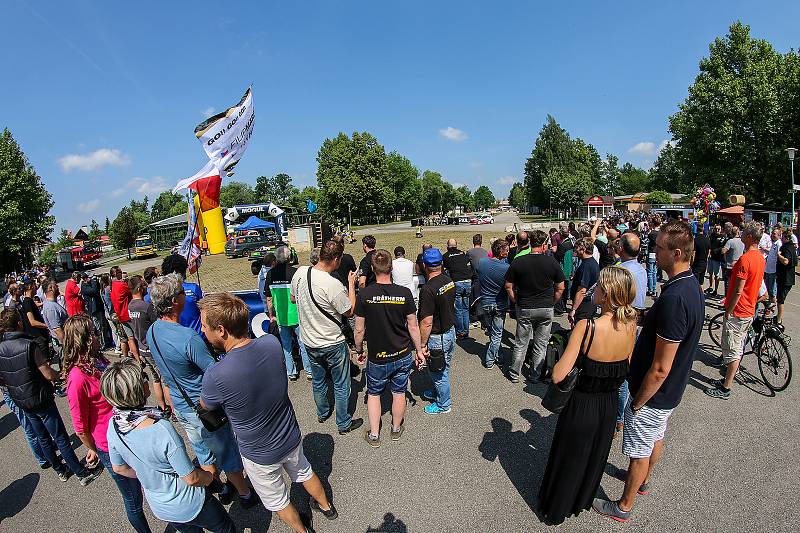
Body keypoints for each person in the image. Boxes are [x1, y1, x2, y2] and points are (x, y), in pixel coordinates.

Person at [593, 220, 704, 522]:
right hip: (670, 391)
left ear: (677, 253)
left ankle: (623, 506)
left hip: (654, 394)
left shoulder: (675, 298)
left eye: (659, 248)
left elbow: (660, 367)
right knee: (655, 439)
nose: (653, 251)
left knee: (640, 449)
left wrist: (639, 400)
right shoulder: (688, 285)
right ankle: (640, 482)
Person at [199, 293, 329, 533]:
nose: (202, 330)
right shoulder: (271, 343)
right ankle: (326, 506)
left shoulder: (215, 376)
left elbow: (206, 405)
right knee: (304, 471)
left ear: (221, 330)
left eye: (205, 326)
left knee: (278, 500)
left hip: (258, 453)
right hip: (289, 435)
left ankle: (302, 531)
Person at [147, 273, 256, 507]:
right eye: (180, 293)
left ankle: (220, 488)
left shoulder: (152, 331)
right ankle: (244, 493)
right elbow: (213, 371)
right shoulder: (187, 337)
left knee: (203, 450)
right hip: (204, 406)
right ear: (175, 301)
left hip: (181, 405)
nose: (183, 295)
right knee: (226, 450)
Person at [539, 267, 637, 525]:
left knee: (570, 456)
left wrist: (561, 349)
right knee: (594, 455)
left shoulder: (587, 326)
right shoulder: (631, 324)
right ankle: (582, 500)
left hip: (582, 402)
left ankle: (557, 509)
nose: (595, 289)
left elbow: (559, 375)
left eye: (600, 286)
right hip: (609, 403)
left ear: (607, 294)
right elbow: (628, 363)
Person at [101, 360, 237, 533]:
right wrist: (210, 478)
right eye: (143, 378)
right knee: (225, 528)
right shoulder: (160, 429)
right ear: (136, 390)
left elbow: (119, 468)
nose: (146, 379)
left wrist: (149, 475)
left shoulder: (114, 425)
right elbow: (191, 478)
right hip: (189, 502)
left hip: (162, 508)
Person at [62, 315, 151, 532]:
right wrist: (94, 449)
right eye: (92, 332)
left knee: (148, 482)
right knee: (133, 498)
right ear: (82, 340)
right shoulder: (77, 378)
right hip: (110, 446)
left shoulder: (98, 359)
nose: (97, 334)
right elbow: (80, 427)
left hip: (128, 431)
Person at [0, 309, 102, 485]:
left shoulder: (1, 347)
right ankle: (81, 472)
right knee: (60, 436)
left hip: (21, 399)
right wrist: (61, 375)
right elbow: (47, 373)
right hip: (39, 397)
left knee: (42, 436)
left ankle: (60, 469)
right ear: (19, 323)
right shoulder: (28, 345)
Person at [353, 250, 425, 447]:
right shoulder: (404, 293)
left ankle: (375, 434)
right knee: (399, 391)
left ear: (373, 269)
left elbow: (359, 330)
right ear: (391, 268)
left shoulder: (365, 294)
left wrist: (359, 351)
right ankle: (395, 428)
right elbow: (413, 325)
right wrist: (418, 350)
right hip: (402, 352)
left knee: (374, 393)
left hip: (377, 355)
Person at [291, 240, 363, 434]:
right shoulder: (333, 284)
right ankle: (343, 423)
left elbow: (292, 298)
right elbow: (349, 311)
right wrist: (350, 283)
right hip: (332, 342)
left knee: (318, 379)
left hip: (309, 340)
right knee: (341, 383)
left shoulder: (300, 273)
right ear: (337, 259)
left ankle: (322, 413)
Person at [705, 222, 766, 400]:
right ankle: (726, 381)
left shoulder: (745, 259)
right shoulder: (759, 257)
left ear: (749, 237)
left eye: (745, 232)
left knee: (733, 349)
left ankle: (726, 387)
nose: (742, 234)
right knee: (736, 347)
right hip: (748, 309)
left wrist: (729, 311)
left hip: (739, 311)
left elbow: (738, 290)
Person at [504, 230, 565, 383]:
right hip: (545, 307)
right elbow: (561, 287)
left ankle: (514, 373)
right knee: (541, 343)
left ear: (530, 242)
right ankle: (535, 374)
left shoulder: (519, 261)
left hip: (524, 306)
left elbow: (508, 286)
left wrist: (515, 300)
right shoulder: (552, 262)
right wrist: (552, 302)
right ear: (544, 245)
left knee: (521, 342)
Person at [615, 233, 648, 434]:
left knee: (619, 373)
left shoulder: (620, 270)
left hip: (621, 322)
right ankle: (622, 415)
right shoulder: (642, 270)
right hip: (635, 322)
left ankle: (618, 417)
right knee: (627, 370)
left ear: (621, 249)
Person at [417, 248, 456, 415]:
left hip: (437, 336)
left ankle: (444, 404)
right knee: (443, 367)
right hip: (449, 331)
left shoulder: (428, 289)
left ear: (424, 265)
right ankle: (439, 393)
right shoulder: (448, 280)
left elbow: (426, 322)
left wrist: (422, 344)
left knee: (438, 372)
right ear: (441, 263)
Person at [265, 245, 311, 381]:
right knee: (303, 344)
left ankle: (291, 372)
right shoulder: (296, 273)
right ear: (289, 257)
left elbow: (269, 299)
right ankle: (309, 371)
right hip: (298, 315)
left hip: (281, 316)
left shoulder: (270, 274)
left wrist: (271, 315)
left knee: (286, 347)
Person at [127, 275, 170, 414]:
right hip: (153, 348)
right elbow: (159, 325)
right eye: (145, 286)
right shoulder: (146, 307)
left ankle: (163, 406)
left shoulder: (130, 306)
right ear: (139, 288)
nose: (147, 288)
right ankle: (173, 409)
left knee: (155, 379)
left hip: (142, 348)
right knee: (165, 380)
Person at [475, 239, 510, 369]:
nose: (508, 251)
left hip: (485, 302)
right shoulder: (507, 268)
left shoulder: (482, 262)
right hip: (499, 303)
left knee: (492, 332)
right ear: (501, 252)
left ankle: (499, 356)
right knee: (497, 333)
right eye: (506, 249)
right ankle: (489, 359)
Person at [161, 255, 204, 334]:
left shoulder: (161, 292)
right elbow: (204, 310)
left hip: (175, 337)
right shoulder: (193, 288)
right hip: (197, 336)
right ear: (183, 270)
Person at [442, 238, 473, 339]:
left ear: (447, 246)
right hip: (468, 281)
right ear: (456, 245)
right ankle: (466, 331)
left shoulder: (446, 256)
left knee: (459, 309)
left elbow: (445, 270)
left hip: (457, 282)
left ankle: (460, 332)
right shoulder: (462, 253)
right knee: (466, 308)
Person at [110, 266, 142, 362]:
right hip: (128, 314)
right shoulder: (121, 285)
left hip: (120, 315)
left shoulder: (112, 286)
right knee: (138, 336)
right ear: (116, 274)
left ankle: (137, 359)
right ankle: (142, 355)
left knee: (130, 338)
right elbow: (133, 291)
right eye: (120, 271)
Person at [569, 238, 600, 325]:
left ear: (583, 249)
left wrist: (574, 309)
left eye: (577, 248)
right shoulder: (593, 262)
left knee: (580, 331)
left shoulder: (586, 266)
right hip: (589, 304)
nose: (575, 250)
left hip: (584, 305)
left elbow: (582, 290)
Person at [81, 273, 111, 350]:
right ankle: (101, 345)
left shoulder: (91, 284)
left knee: (104, 326)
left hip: (99, 308)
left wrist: (97, 280)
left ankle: (107, 342)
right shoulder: (84, 287)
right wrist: (94, 280)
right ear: (84, 279)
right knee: (98, 327)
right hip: (94, 310)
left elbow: (98, 288)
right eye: (88, 277)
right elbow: (94, 290)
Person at [775, 229, 798, 326]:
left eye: (783, 237)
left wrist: (779, 255)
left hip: (785, 278)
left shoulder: (785, 248)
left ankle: (778, 320)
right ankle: (777, 317)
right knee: (779, 298)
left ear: (786, 238)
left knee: (780, 300)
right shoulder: (793, 247)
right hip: (789, 278)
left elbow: (786, 261)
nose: (781, 238)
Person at [721, 225, 744, 295]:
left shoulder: (730, 241)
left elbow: (723, 251)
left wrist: (724, 254)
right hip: (739, 265)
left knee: (728, 283)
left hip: (730, 265)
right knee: (737, 283)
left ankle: (727, 299)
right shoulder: (742, 241)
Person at [762, 227, 781, 305]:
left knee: (772, 290)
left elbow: (779, 256)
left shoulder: (779, 244)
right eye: (772, 233)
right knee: (768, 289)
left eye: (774, 234)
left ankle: (772, 307)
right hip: (768, 269)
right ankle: (769, 306)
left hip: (774, 270)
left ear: (779, 235)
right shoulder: (773, 243)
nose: (772, 235)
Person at [707, 223, 726, 297]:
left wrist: (714, 251)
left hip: (717, 258)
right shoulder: (712, 235)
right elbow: (709, 244)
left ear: (721, 230)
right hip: (711, 257)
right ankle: (711, 287)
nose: (717, 230)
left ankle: (716, 289)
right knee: (710, 273)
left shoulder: (722, 237)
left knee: (716, 275)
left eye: (718, 229)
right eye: (716, 229)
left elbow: (723, 247)